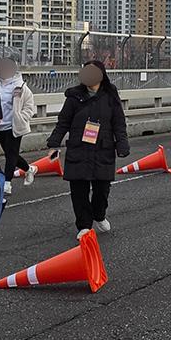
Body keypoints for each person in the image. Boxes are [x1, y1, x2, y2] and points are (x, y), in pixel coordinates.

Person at [46, 60, 130, 237]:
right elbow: (63, 122)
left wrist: (122, 144)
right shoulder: (74, 97)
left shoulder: (110, 95)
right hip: (79, 148)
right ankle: (84, 225)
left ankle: (99, 215)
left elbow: (119, 123)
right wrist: (54, 143)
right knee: (79, 190)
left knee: (102, 189)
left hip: (103, 148)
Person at [0, 57, 37, 195]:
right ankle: (29, 169)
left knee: (11, 155)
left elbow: (29, 107)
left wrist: (20, 118)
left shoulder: (21, 87)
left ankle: (7, 183)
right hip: (0, 125)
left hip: (14, 126)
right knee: (10, 154)